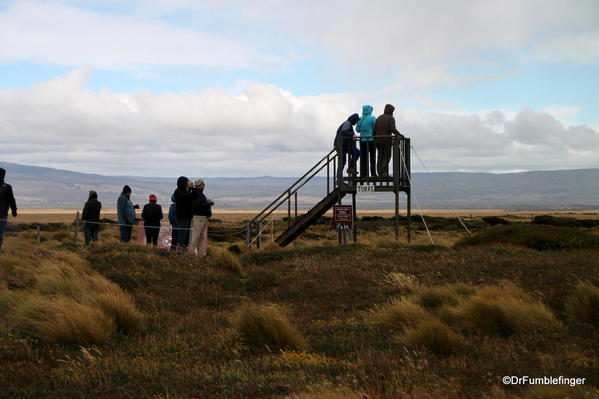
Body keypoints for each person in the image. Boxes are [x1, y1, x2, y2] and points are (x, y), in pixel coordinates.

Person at [373, 104, 404, 177]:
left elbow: (374, 130)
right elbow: (392, 129)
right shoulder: (391, 118)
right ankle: (384, 173)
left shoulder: (379, 118)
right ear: (391, 111)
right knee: (387, 156)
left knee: (380, 156)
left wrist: (375, 139)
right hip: (386, 141)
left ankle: (380, 172)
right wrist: (399, 134)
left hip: (377, 141)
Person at [189, 179, 214, 256]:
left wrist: (208, 203)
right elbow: (197, 206)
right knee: (196, 237)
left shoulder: (199, 193)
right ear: (199, 185)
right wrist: (207, 203)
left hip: (202, 218)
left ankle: (201, 254)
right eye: (202, 184)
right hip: (199, 218)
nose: (204, 185)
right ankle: (191, 254)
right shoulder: (196, 194)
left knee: (201, 238)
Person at [334, 113, 361, 184]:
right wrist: (352, 135)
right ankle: (339, 179)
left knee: (357, 152)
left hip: (345, 146)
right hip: (341, 146)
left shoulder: (348, 124)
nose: (356, 122)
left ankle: (351, 168)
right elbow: (344, 132)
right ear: (353, 120)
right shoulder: (347, 123)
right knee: (342, 161)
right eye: (356, 121)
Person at [173, 176, 199, 248]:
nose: (188, 183)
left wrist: (192, 188)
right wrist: (190, 188)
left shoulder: (185, 191)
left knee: (187, 236)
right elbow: (186, 197)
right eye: (187, 181)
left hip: (187, 216)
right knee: (182, 235)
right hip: (182, 217)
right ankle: (180, 250)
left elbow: (194, 196)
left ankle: (184, 249)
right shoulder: (178, 191)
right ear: (183, 183)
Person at [356, 105, 377, 178]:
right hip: (371, 140)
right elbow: (375, 128)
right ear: (370, 110)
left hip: (362, 140)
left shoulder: (360, 119)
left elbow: (357, 130)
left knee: (363, 157)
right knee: (372, 157)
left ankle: (363, 173)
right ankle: (373, 173)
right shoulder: (372, 118)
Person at [0, 167, 17, 250]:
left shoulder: (7, 187)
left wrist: (14, 210)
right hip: (2, 214)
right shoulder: (7, 187)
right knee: (0, 234)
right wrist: (14, 210)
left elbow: (11, 200)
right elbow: (11, 200)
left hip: (2, 214)